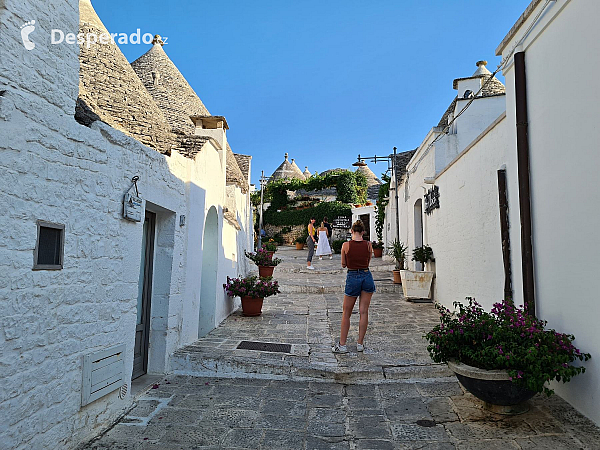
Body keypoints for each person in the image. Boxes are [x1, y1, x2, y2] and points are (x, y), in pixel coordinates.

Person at [332, 220, 376, 353]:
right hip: (366, 276)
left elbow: (343, 264)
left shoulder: (346, 245)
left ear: (352, 231)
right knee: (364, 312)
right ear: (363, 232)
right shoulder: (369, 245)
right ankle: (360, 344)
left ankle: (342, 345)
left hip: (352, 277)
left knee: (347, 313)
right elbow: (368, 261)